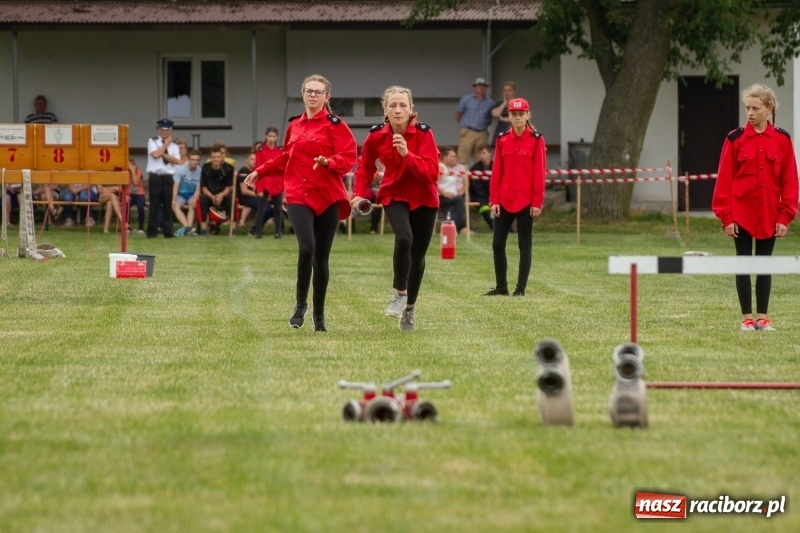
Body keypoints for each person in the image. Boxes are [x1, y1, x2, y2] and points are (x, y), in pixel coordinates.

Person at [246, 74, 357, 332]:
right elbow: (286, 157)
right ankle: (300, 306)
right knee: (306, 247)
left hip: (327, 195)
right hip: (298, 193)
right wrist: (260, 171)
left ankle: (319, 316)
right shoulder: (294, 125)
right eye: (309, 91)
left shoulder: (336, 125)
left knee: (321, 258)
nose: (313, 95)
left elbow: (349, 156)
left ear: (327, 96)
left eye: (318, 92)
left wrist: (329, 162)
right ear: (303, 94)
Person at [352, 85, 440, 332]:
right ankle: (400, 293)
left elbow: (432, 174)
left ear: (411, 109)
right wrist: (358, 193)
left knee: (418, 257)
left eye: (403, 105)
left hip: (424, 197)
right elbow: (365, 166)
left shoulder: (424, 134)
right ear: (385, 110)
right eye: (393, 105)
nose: (398, 110)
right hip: (394, 194)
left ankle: (409, 309)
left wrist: (407, 154)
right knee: (404, 238)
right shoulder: (376, 135)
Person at [712, 83, 799, 331]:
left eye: (755, 108)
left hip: (770, 215)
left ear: (769, 109)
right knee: (743, 263)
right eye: (747, 108)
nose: (750, 113)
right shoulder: (735, 139)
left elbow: (790, 182)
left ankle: (763, 318)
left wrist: (785, 217)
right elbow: (724, 180)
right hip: (740, 215)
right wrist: (727, 218)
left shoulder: (782, 140)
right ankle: (747, 319)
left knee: (764, 264)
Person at [484, 98, 546, 297]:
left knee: (524, 245)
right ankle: (501, 287)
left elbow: (539, 173)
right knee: (497, 244)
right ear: (509, 116)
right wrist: (494, 200)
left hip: (526, 201)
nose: (517, 118)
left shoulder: (536, 139)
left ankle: (520, 289)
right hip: (504, 199)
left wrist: (537, 202)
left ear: (527, 115)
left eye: (521, 114)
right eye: (514, 114)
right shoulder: (502, 139)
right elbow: (497, 171)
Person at [146, 118, 181, 238]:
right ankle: (152, 231)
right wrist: (165, 145)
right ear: (158, 130)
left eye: (167, 130)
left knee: (167, 205)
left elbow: (176, 160)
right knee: (154, 205)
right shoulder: (152, 141)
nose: (164, 132)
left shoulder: (175, 145)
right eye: (162, 130)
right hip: (155, 177)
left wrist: (162, 153)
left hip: (167, 177)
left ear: (171, 131)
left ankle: (168, 231)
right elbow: (155, 155)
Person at [252, 126, 284, 239]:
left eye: (274, 136)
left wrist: (284, 185)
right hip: (264, 182)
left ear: (277, 137)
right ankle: (258, 232)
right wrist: (259, 188)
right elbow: (258, 168)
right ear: (266, 136)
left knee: (278, 209)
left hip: (277, 183)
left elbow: (282, 168)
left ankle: (278, 232)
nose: (271, 138)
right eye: (269, 136)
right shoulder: (260, 151)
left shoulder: (280, 150)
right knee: (261, 209)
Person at [455, 77, 495, 166]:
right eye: (479, 85)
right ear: (475, 87)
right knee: (463, 157)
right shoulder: (466, 99)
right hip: (468, 131)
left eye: (484, 86)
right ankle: (463, 175)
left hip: (482, 132)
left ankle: (479, 175)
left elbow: (490, 118)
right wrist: (465, 126)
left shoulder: (490, 102)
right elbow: (458, 115)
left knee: (481, 158)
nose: (482, 87)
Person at [198, 146, 234, 235]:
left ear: (222, 157)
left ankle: (232, 228)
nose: (216, 159)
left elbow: (228, 188)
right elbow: (203, 188)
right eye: (213, 157)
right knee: (202, 198)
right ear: (211, 158)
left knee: (231, 199)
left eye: (218, 157)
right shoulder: (205, 167)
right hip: (209, 195)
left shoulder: (228, 168)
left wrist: (221, 195)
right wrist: (212, 197)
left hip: (223, 195)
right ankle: (204, 228)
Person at [172, 149, 202, 236]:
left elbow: (198, 189)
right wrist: (173, 200)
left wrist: (195, 199)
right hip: (180, 194)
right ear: (188, 159)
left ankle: (187, 228)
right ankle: (187, 227)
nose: (195, 162)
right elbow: (176, 186)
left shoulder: (200, 171)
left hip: (191, 194)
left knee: (192, 205)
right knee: (175, 206)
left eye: (197, 160)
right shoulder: (180, 169)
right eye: (192, 159)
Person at [437, 147, 468, 234]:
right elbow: (434, 183)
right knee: (458, 201)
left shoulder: (449, 168)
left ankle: (455, 226)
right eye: (451, 156)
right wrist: (444, 193)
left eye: (455, 156)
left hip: (452, 196)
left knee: (458, 201)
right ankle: (461, 227)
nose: (454, 158)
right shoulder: (441, 167)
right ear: (444, 157)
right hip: (441, 197)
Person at [469, 144, 494, 230]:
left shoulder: (496, 166)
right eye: (480, 153)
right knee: (484, 207)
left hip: (494, 196)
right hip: (480, 197)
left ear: (490, 153)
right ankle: (493, 224)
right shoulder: (475, 168)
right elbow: (476, 188)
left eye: (484, 153)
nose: (481, 155)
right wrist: (488, 199)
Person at [491, 81, 516, 147]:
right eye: (504, 90)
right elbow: (495, 114)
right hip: (500, 131)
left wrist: (503, 119)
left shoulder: (517, 104)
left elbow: (516, 118)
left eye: (509, 90)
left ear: (513, 91)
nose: (507, 92)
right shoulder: (500, 104)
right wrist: (504, 103)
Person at [128, 157, 146, 234]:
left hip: (139, 194)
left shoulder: (138, 171)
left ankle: (141, 227)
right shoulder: (124, 172)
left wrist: (132, 171)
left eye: (130, 162)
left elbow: (135, 183)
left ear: (133, 163)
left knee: (140, 206)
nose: (128, 164)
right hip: (128, 194)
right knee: (126, 206)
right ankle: (127, 227)